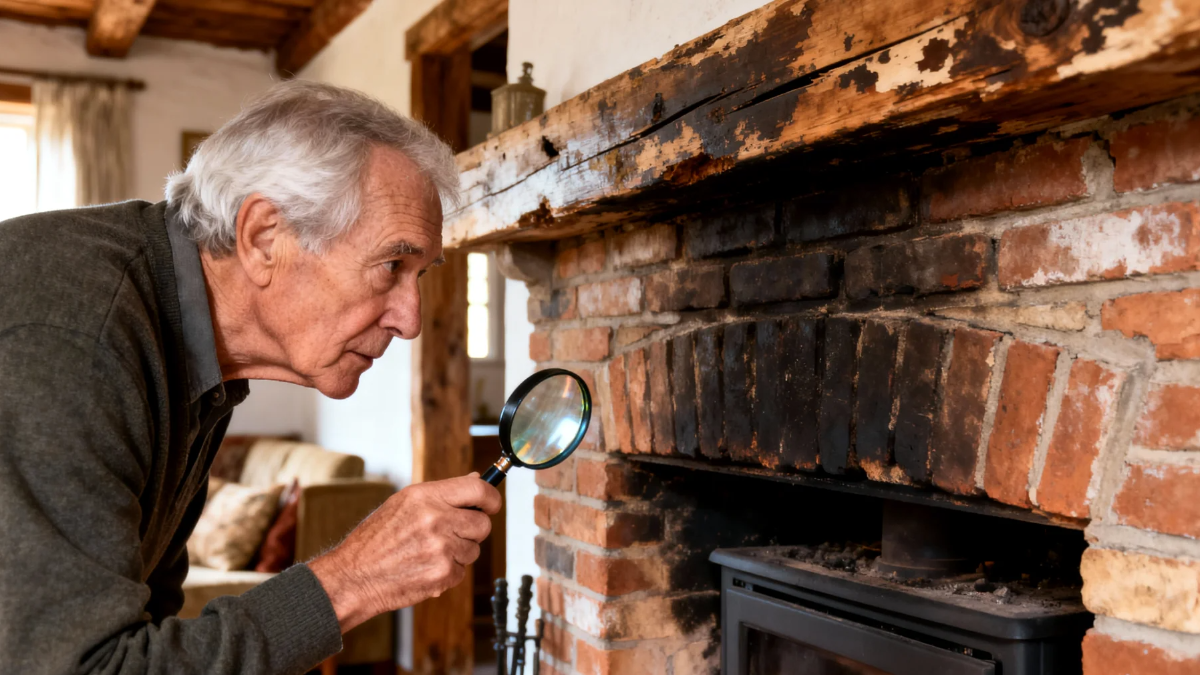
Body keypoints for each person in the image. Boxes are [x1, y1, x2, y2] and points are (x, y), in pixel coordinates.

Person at [0, 80, 501, 674]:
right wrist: (350, 579)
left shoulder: (198, 357)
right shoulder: (82, 335)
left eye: (420, 274)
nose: (411, 320)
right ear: (264, 237)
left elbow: (150, 629)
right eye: (392, 265)